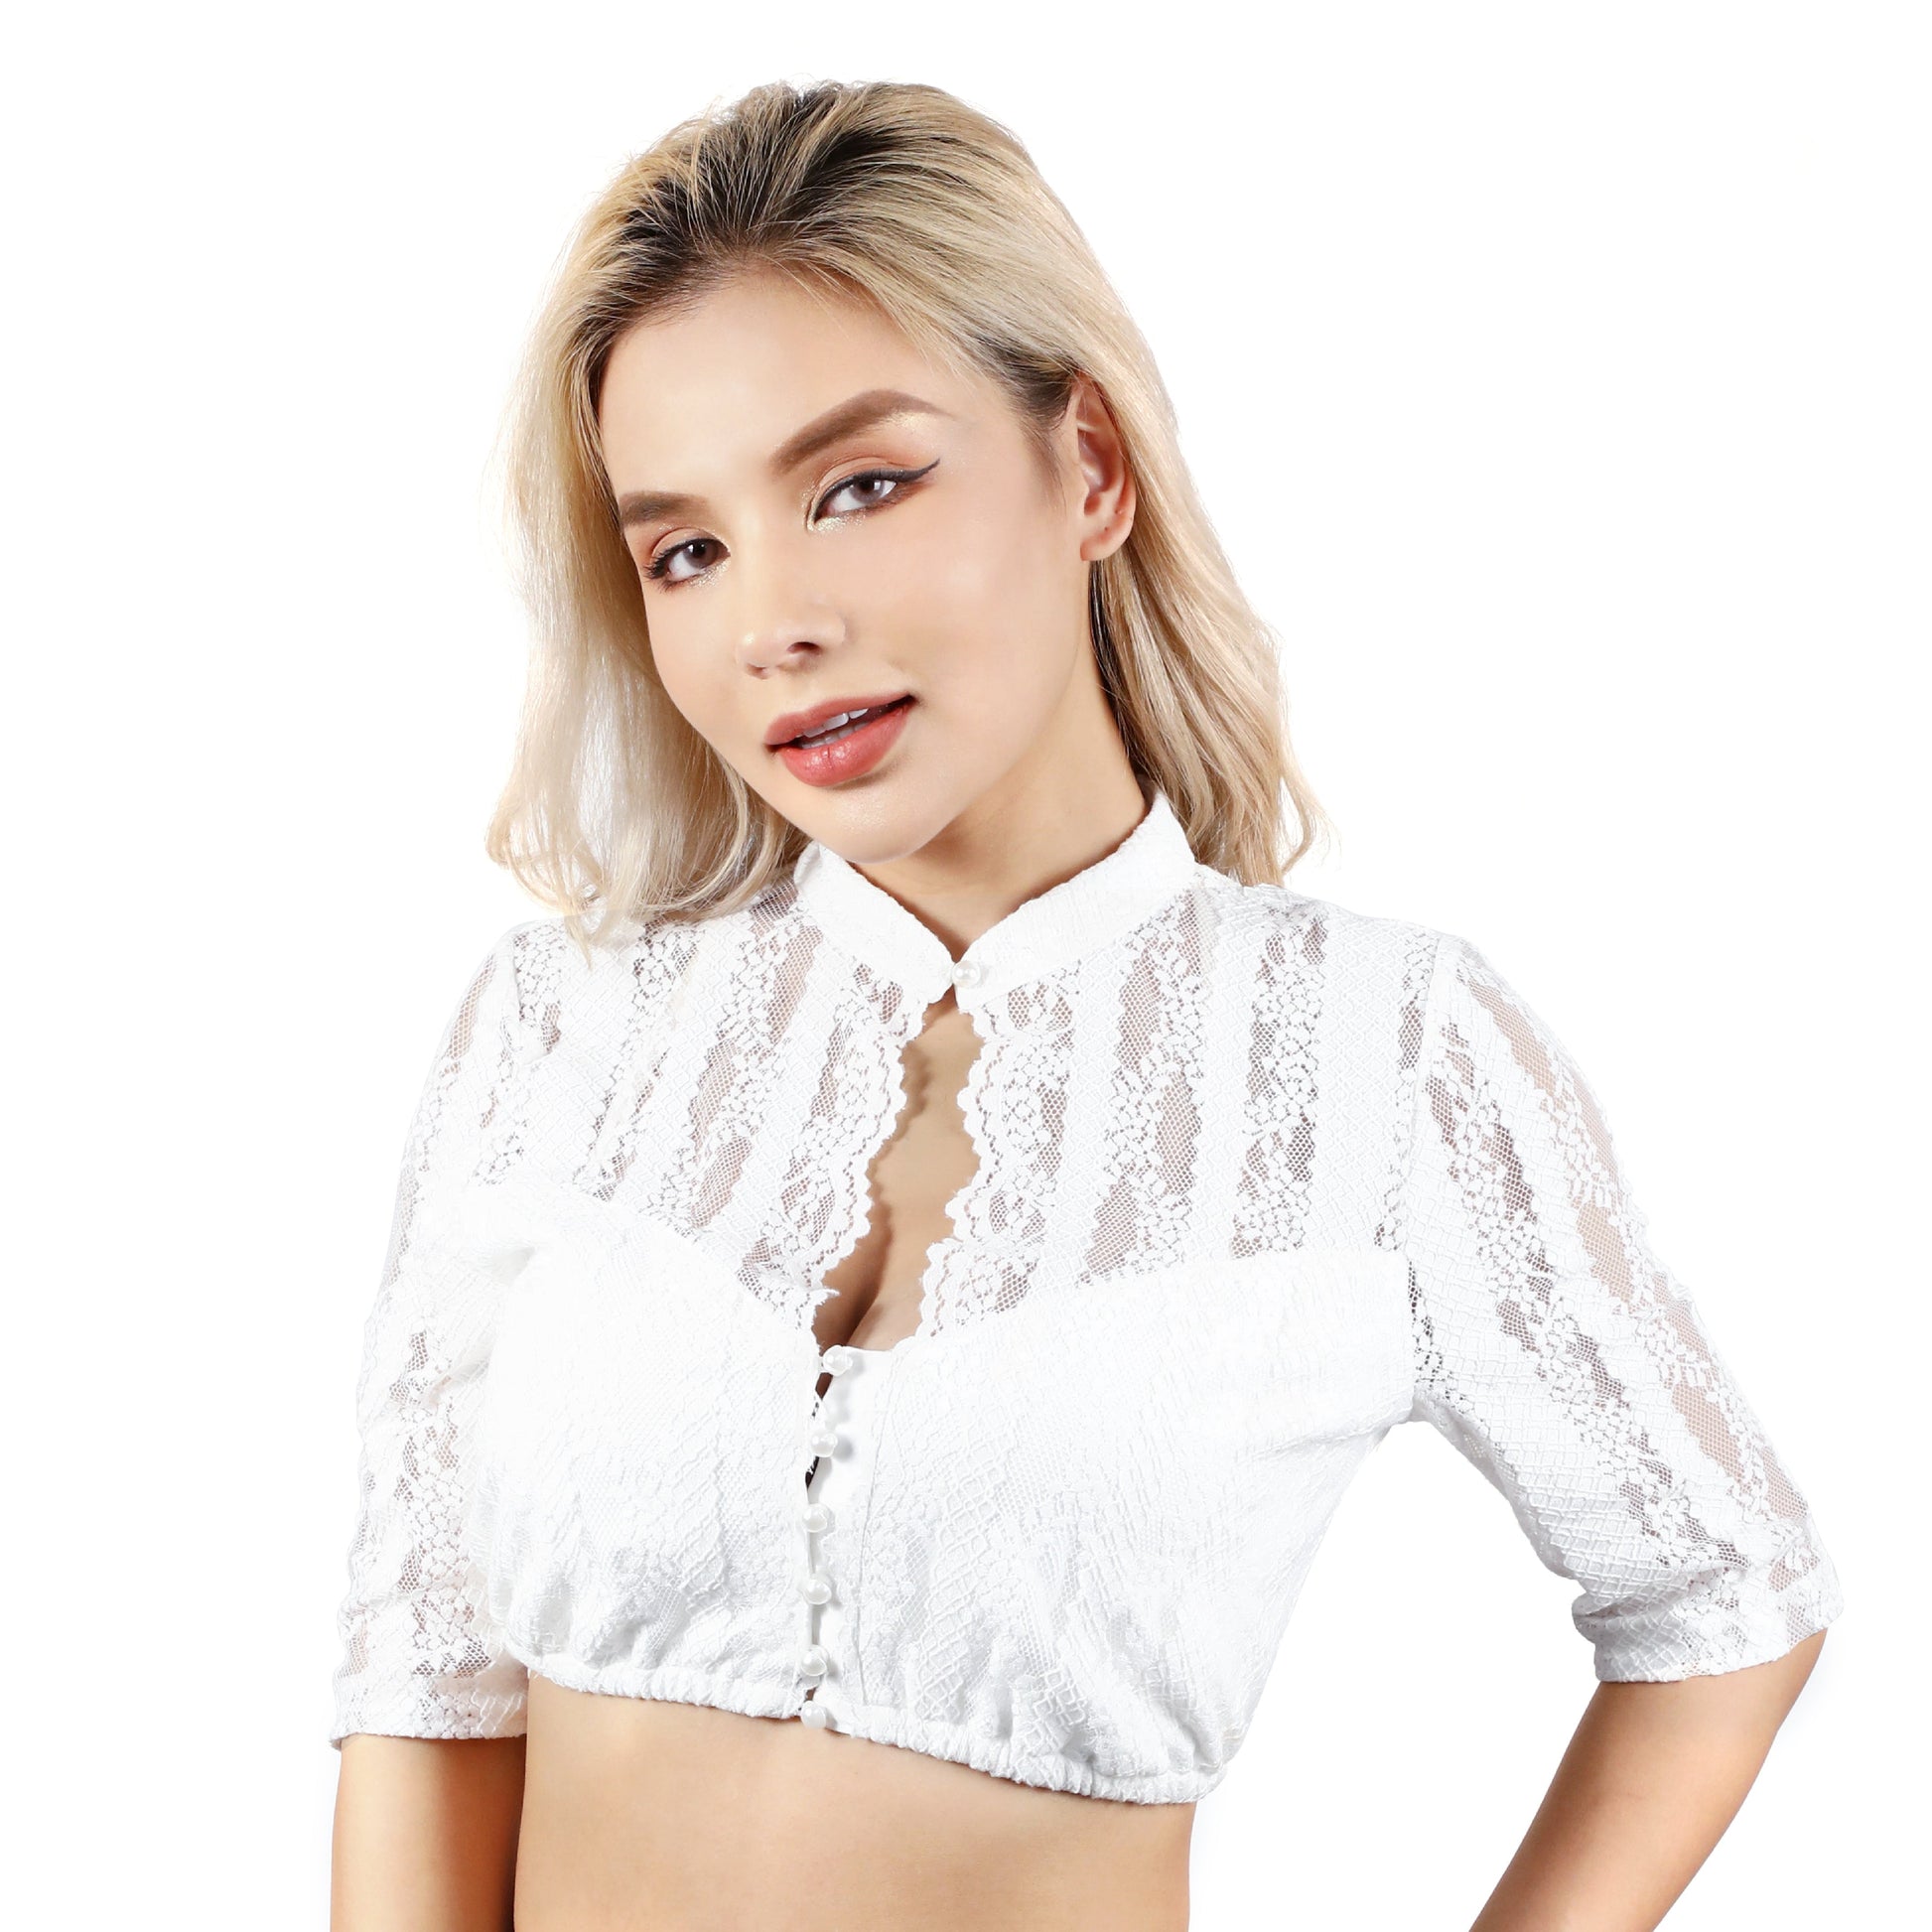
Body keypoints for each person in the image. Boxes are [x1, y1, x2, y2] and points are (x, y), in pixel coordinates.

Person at [327, 77, 1845, 1932]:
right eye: (684, 550)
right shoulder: (560, 1029)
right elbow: (425, 1675)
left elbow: (1724, 1591)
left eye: (859, 485)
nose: (768, 622)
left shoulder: (1383, 1054)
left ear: (1093, 469)